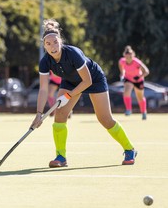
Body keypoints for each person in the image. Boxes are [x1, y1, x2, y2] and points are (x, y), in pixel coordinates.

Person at [30, 19, 137, 168]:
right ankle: (61, 157)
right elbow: (43, 89)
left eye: (55, 42)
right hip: (70, 81)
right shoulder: (45, 62)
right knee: (60, 115)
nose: (52, 46)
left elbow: (87, 81)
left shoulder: (73, 53)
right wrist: (39, 113)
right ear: (44, 46)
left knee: (105, 119)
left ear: (60, 41)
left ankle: (129, 149)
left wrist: (68, 96)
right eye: (48, 44)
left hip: (93, 79)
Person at [118, 45, 150, 120]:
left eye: (130, 57)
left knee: (140, 97)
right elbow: (121, 68)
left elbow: (147, 71)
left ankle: (143, 112)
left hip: (138, 80)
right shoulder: (121, 61)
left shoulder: (137, 62)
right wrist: (122, 74)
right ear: (124, 56)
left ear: (133, 55)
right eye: (127, 57)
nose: (128, 59)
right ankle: (128, 110)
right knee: (126, 92)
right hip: (128, 79)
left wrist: (140, 76)